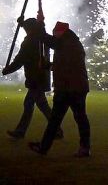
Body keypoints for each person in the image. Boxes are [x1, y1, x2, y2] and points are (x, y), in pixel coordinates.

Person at [30, 21, 90, 157]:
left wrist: (38, 28)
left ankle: (44, 147)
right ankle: (84, 147)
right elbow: (63, 65)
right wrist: (48, 65)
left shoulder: (66, 43)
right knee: (75, 119)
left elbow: (49, 41)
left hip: (69, 88)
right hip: (74, 87)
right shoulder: (70, 43)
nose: (54, 35)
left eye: (55, 33)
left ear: (60, 32)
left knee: (60, 120)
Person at [2, 16, 61, 140]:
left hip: (36, 79)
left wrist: (8, 70)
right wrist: (21, 22)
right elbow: (39, 28)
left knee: (29, 104)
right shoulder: (42, 38)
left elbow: (20, 60)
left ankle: (20, 131)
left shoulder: (30, 41)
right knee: (42, 105)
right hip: (40, 78)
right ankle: (57, 130)